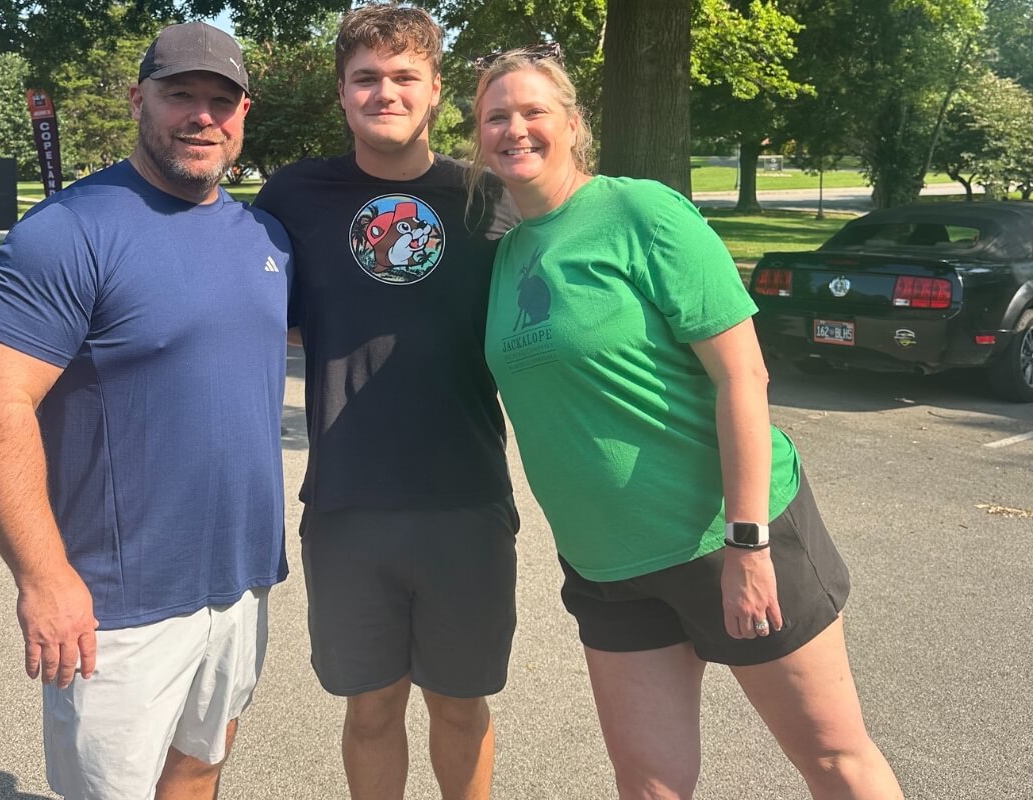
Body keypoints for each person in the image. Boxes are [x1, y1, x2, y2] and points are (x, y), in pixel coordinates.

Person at [470, 50, 904, 800]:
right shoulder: (509, 253)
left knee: (834, 761)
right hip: (608, 568)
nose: (515, 128)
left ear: (573, 124)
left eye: (533, 111)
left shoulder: (640, 211)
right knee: (649, 785)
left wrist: (748, 543)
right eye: (496, 116)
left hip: (724, 537)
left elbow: (743, 373)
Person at [0, 22, 292, 800]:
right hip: (115, 604)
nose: (202, 116)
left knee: (200, 767)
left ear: (245, 114)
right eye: (181, 96)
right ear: (139, 99)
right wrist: (43, 578)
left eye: (222, 100)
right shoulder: (70, 233)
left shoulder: (262, 235)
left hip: (241, 582)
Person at [252, 5, 519, 799]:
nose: (385, 92)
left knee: (460, 708)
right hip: (347, 502)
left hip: (465, 499)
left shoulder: (487, 200)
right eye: (366, 78)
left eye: (405, 77)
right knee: (370, 709)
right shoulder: (295, 196)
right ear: (341, 93)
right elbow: (249, 310)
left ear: (436, 90)